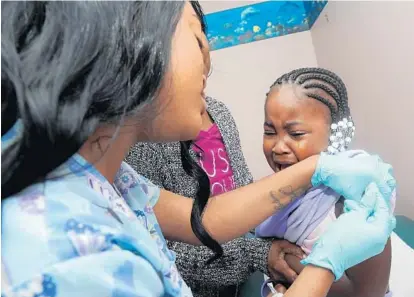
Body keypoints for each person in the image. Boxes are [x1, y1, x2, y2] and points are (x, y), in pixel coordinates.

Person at [1, 2, 396, 297]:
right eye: (196, 36)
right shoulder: (75, 262)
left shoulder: (101, 175)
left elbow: (202, 218)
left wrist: (316, 170)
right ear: (132, 39)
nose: (209, 58)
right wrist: (324, 265)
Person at [126, 21, 303, 297]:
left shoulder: (220, 114)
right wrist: (258, 254)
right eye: (193, 41)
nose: (206, 53)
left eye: (203, 39)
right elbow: (167, 247)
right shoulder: (145, 142)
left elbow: (243, 190)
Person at [257, 68, 396, 297]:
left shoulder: (356, 203)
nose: (278, 147)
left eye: (296, 134)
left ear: (334, 135)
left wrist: (289, 264)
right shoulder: (273, 194)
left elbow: (368, 293)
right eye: (269, 132)